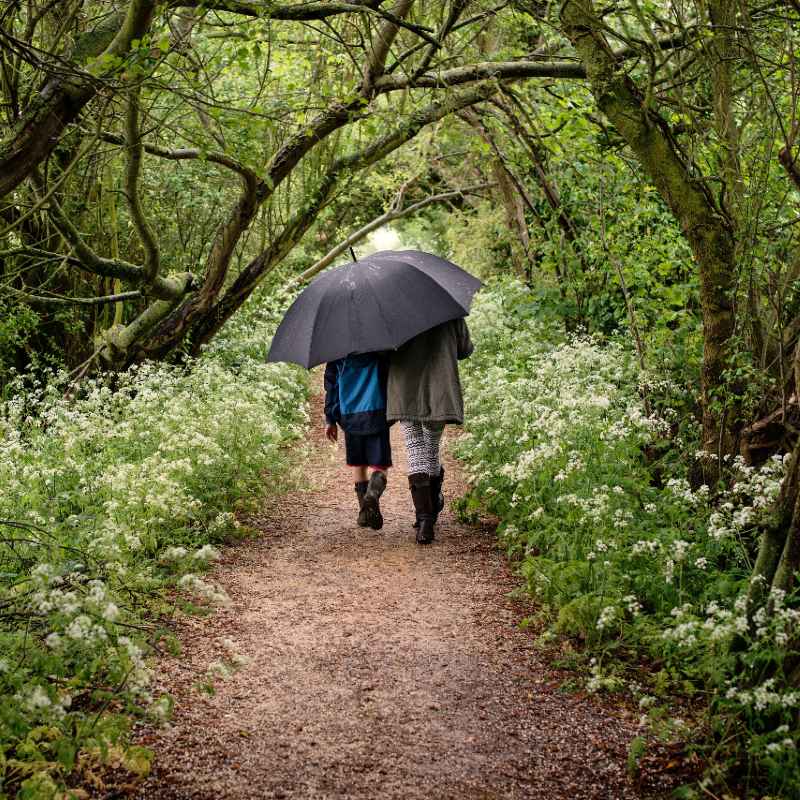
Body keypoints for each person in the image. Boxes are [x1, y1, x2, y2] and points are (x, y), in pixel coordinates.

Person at [386, 317, 474, 545]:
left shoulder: (393, 312)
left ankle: (425, 520)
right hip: (439, 388)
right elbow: (465, 349)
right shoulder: (449, 311)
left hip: (405, 389)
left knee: (415, 449)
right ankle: (431, 511)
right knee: (431, 449)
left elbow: (381, 352)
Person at [324, 352, 391, 530]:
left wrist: (330, 419)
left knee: (359, 464)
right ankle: (372, 496)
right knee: (380, 466)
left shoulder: (337, 353)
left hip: (349, 416)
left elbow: (331, 387)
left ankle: (364, 511)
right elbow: (390, 376)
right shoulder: (379, 348)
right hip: (377, 412)